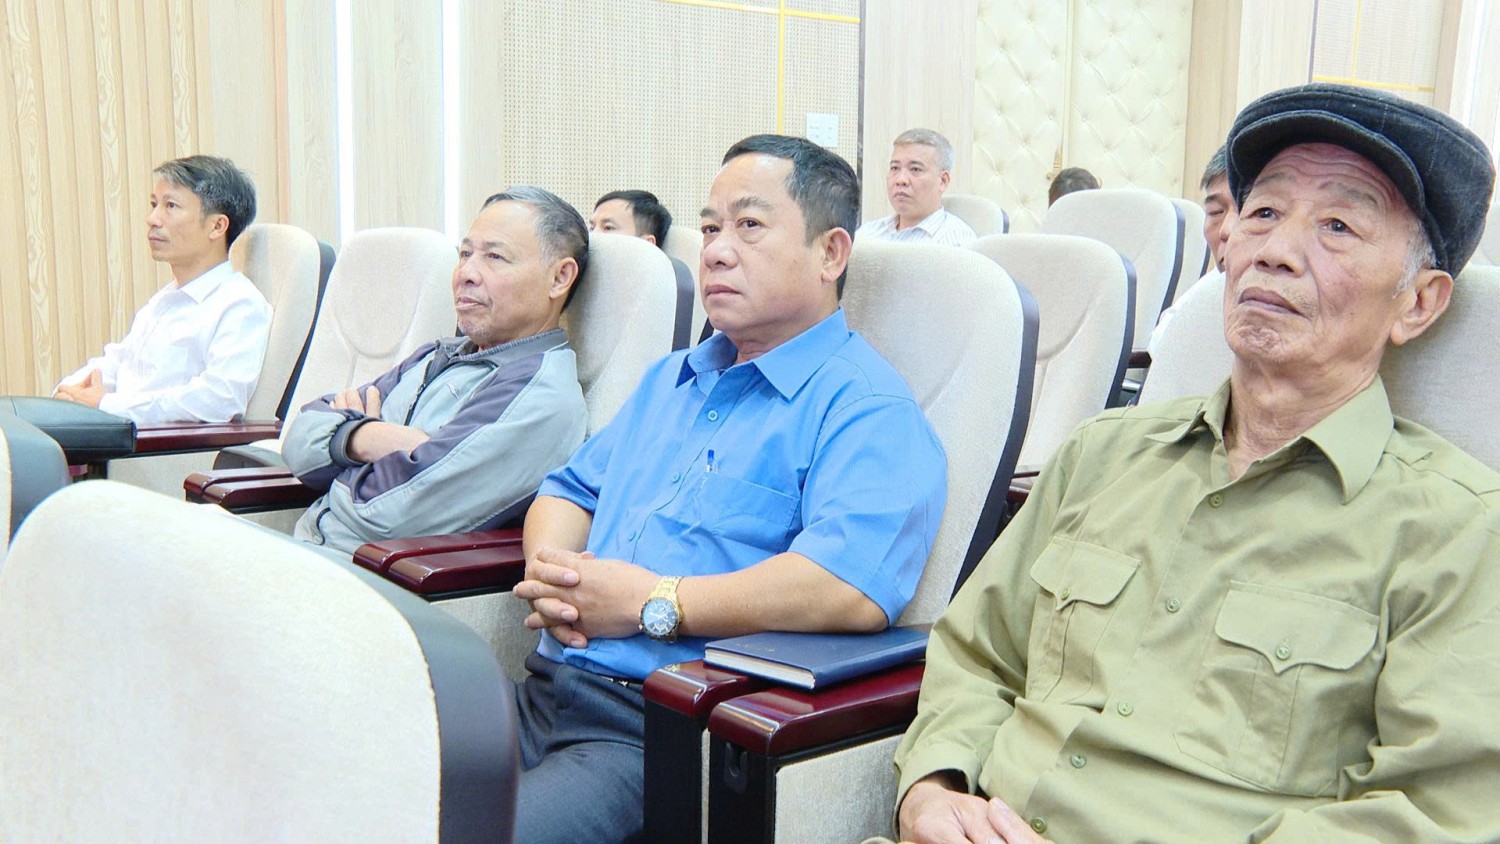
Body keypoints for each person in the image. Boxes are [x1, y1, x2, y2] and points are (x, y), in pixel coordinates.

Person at [884, 83, 1500, 843]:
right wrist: (934, 788)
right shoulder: (1102, 454)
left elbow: (1436, 815)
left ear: (1418, 303)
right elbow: (977, 656)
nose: (1274, 250)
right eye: (1263, 213)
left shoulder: (1460, 530)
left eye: (1338, 226)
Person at [514, 135, 949, 844]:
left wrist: (653, 602)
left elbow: (849, 588)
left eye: (749, 225)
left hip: (656, 729)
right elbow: (569, 491)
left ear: (830, 253)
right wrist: (556, 577)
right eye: (711, 227)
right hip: (544, 689)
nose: (715, 250)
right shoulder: (673, 377)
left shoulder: (866, 409)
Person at [281, 187, 588, 555]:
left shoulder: (539, 393)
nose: (465, 274)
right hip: (306, 549)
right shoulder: (439, 354)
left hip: (361, 573)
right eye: (465, 254)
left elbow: (380, 514)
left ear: (559, 278)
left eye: (495, 256)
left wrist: (339, 449)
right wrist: (365, 437)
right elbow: (298, 440)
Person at [53, 155, 271, 425]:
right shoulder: (165, 299)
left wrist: (106, 404)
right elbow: (118, 363)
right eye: (154, 204)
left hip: (163, 447)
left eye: (170, 206)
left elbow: (220, 399)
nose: (152, 219)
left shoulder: (240, 304)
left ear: (217, 226)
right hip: (121, 436)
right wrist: (67, 394)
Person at [1148, 145, 1238, 357]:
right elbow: (1162, 343)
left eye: (1261, 212)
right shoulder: (1208, 291)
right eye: (1215, 212)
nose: (1226, 229)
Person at [590, 189, 697, 347]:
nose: (593, 237)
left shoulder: (651, 309)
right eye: (592, 227)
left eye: (608, 228)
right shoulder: (590, 290)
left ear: (647, 244)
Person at [858, 128, 977, 247]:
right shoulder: (868, 233)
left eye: (915, 169)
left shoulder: (957, 241)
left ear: (943, 181)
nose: (901, 180)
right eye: (895, 168)